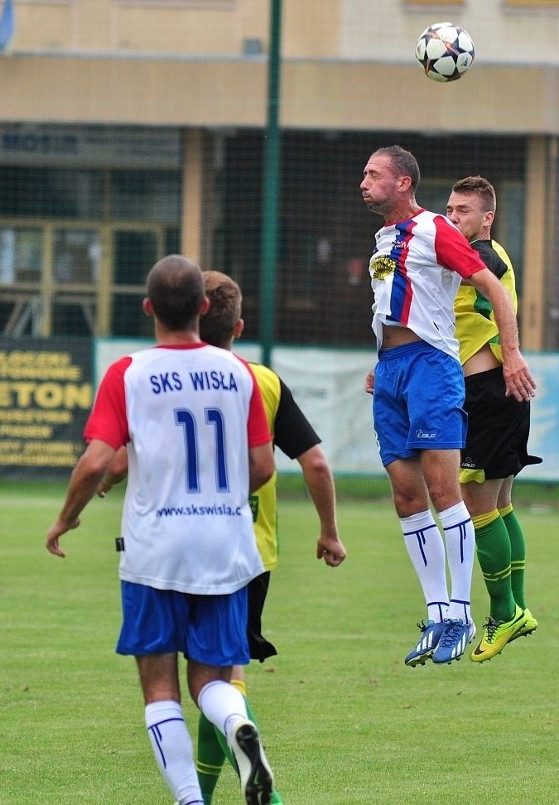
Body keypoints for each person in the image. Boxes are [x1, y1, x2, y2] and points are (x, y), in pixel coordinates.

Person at [46, 255, 277, 805]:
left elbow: (97, 460)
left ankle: (188, 799)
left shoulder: (129, 371)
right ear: (203, 307)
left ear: (148, 308)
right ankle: (236, 726)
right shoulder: (239, 374)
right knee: (214, 681)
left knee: (158, 687)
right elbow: (263, 465)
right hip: (226, 546)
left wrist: (67, 516)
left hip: (155, 550)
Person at [360, 146, 536, 667]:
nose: (363, 181)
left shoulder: (436, 229)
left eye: (374, 174)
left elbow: (493, 290)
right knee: (406, 498)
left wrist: (513, 354)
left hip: (433, 367)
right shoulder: (384, 239)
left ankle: (461, 611)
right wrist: (381, 357)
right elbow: (395, 301)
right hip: (392, 370)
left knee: (446, 492)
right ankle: (437, 613)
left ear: (403, 184)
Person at [194, 270, 347, 804]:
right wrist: (329, 532)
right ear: (239, 325)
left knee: (208, 681)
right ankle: (199, 797)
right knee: (223, 677)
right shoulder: (263, 380)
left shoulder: (164, 374)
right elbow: (316, 463)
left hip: (183, 546)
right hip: (252, 554)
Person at [446, 176, 540, 662]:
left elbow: (464, 272)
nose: (453, 216)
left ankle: (504, 613)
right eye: (450, 208)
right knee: (501, 503)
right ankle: (518, 607)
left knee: (475, 501)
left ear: (487, 219)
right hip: (496, 392)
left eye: (464, 210)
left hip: (488, 393)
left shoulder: (484, 255)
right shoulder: (470, 255)